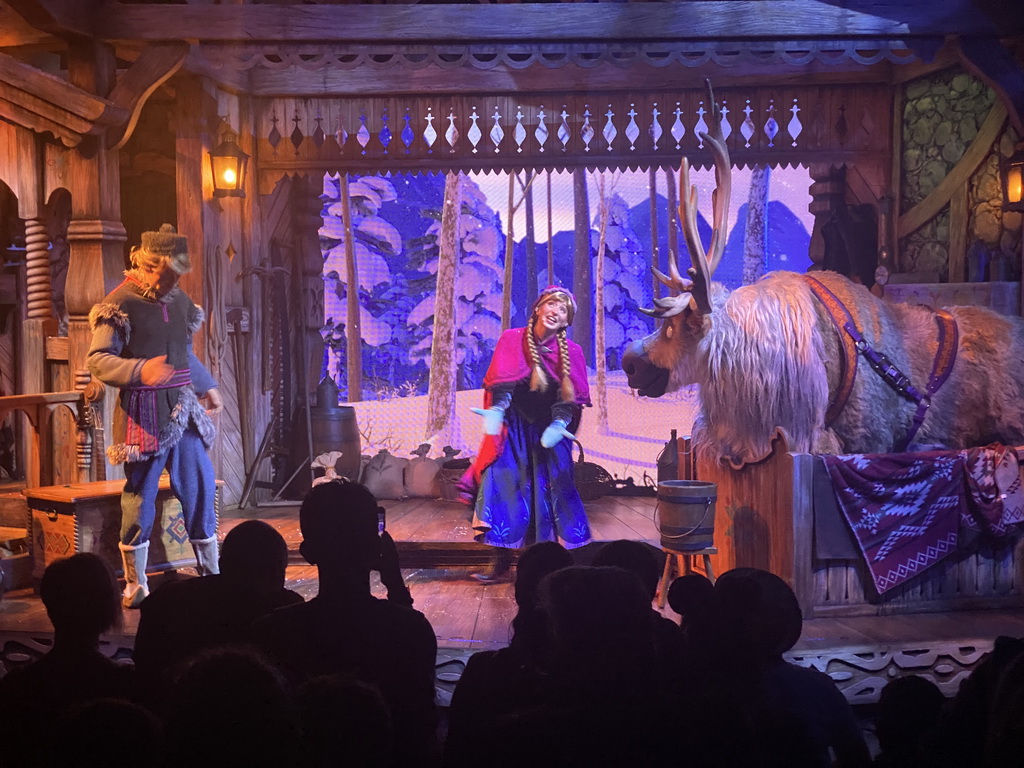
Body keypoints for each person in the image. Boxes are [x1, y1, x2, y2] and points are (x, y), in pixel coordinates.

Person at [252, 480, 438, 767]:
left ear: (307, 552)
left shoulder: (271, 633)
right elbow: (419, 729)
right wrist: (395, 584)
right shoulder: (411, 630)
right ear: (377, 548)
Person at [87, 224, 222, 608]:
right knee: (141, 494)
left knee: (199, 483)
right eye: (165, 276)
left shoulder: (179, 301)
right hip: (143, 416)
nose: (171, 284)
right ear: (146, 266)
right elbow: (98, 360)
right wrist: (140, 370)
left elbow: (182, 353)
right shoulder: (119, 304)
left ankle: (211, 575)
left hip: (182, 408)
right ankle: (136, 582)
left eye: (177, 277)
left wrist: (206, 383)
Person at [459, 286, 592, 582]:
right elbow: (501, 383)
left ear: (566, 321)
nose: (556, 312)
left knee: (555, 487)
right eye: (552, 305)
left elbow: (570, 400)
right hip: (515, 427)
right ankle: (500, 558)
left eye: (563, 310)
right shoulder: (512, 339)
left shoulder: (573, 352)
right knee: (502, 483)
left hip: (548, 432)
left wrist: (559, 425)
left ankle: (556, 563)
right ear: (538, 308)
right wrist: (498, 410)